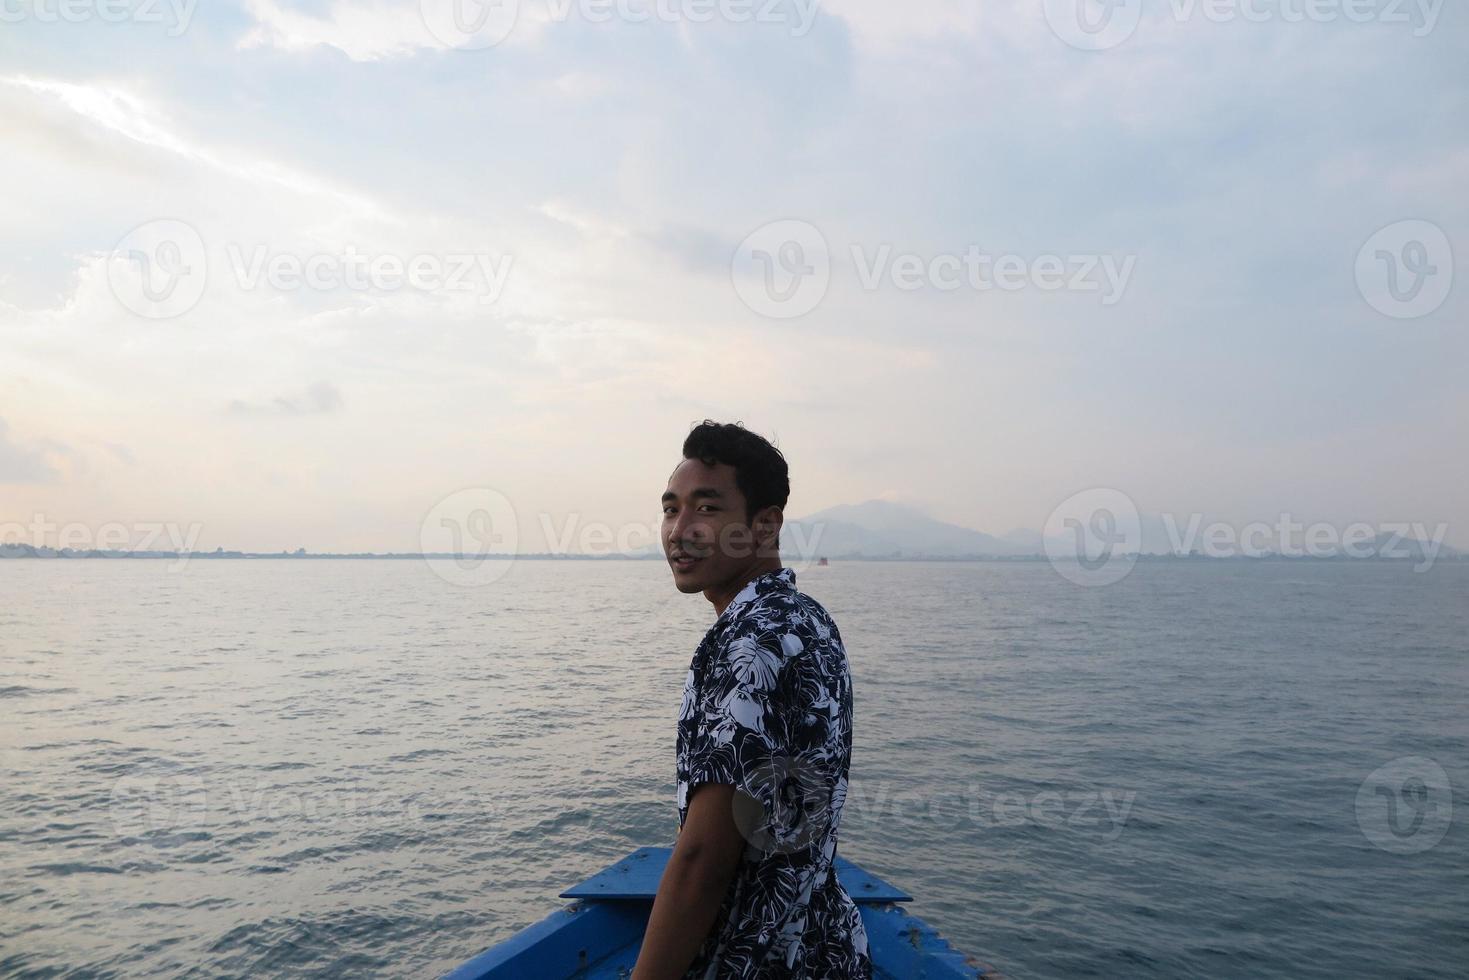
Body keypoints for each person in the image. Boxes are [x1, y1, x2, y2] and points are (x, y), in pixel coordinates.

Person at [631, 420, 872, 980]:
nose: (680, 529)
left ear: (765, 525)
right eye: (671, 509)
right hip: (821, 944)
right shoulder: (808, 620)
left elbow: (703, 860)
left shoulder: (746, 642)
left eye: (707, 509)